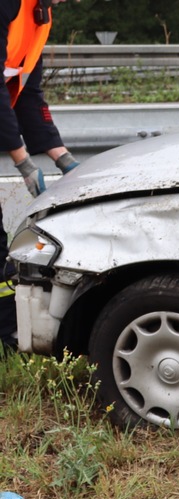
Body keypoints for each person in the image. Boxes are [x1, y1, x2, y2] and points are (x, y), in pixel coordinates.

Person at [0, 0, 76, 349]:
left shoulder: (39, 17)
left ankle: (4, 336)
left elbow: (28, 94)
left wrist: (64, 159)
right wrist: (24, 163)